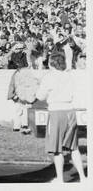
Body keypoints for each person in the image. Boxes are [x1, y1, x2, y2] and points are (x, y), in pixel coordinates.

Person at [36, 52, 87, 183]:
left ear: (51, 63)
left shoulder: (48, 77)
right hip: (70, 111)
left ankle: (60, 178)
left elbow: (40, 97)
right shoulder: (69, 76)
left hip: (56, 112)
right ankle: (82, 177)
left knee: (57, 149)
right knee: (73, 147)